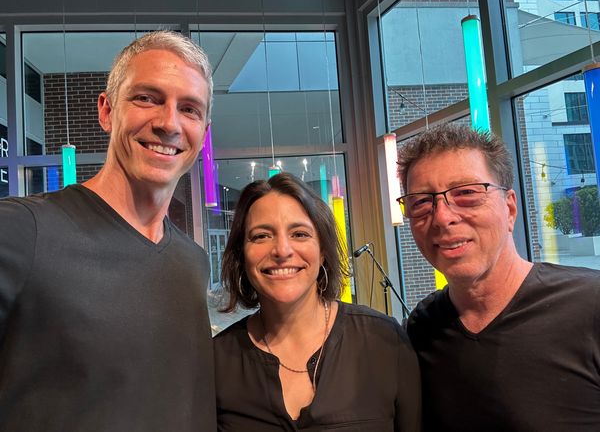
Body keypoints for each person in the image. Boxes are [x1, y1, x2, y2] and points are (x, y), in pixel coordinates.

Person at [0, 31, 216, 431]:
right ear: (107, 111)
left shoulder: (193, 263)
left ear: (203, 133)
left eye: (189, 109)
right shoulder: (21, 230)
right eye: (147, 98)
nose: (169, 123)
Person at [398, 124, 600, 431]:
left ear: (510, 208)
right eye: (422, 202)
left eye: (466, 193)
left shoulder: (590, 305)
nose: (442, 217)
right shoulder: (422, 327)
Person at [213, 172, 420, 432]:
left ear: (322, 251)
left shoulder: (384, 342)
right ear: (242, 255)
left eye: (300, 234)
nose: (282, 250)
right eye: (261, 236)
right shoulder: (217, 361)